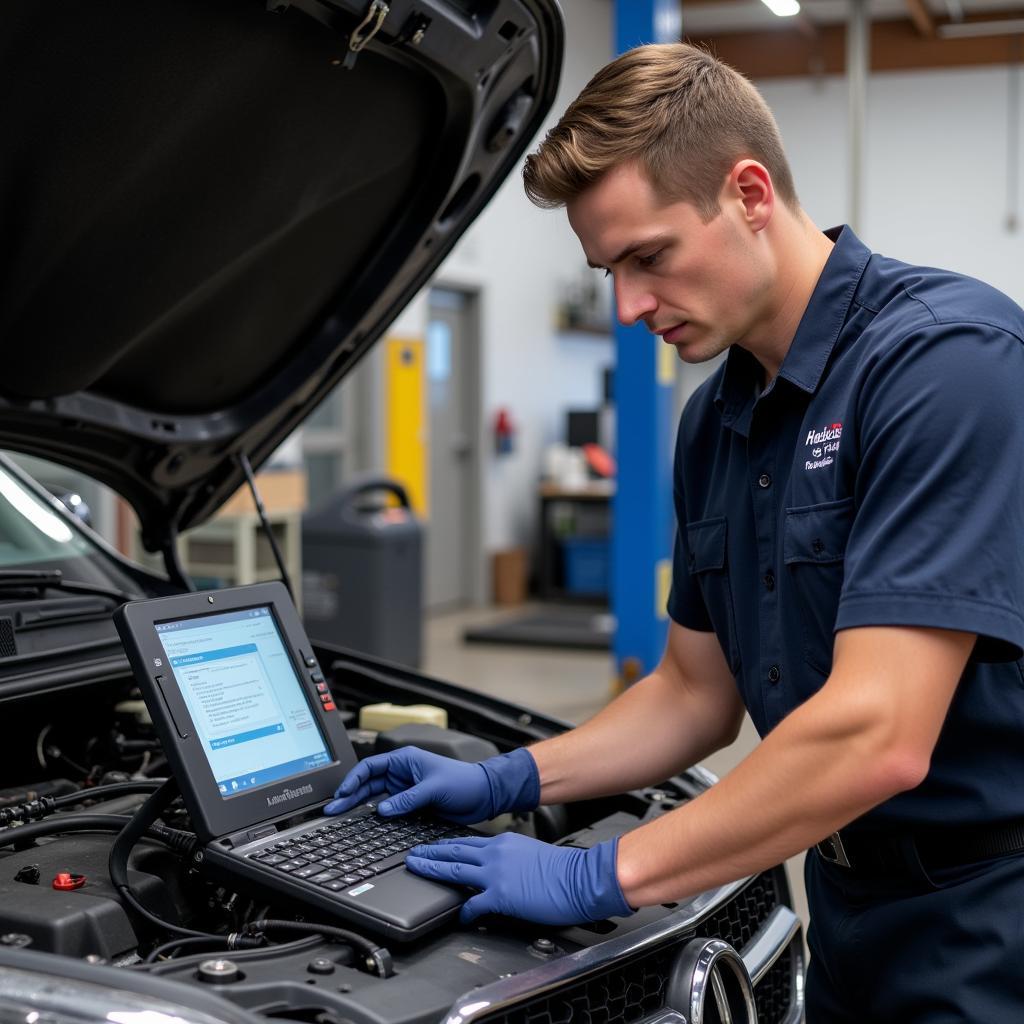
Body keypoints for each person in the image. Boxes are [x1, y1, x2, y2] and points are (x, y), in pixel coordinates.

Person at [326, 44, 1024, 1020]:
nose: (628, 306)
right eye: (608, 269)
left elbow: (878, 734)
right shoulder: (716, 420)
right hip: (847, 904)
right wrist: (506, 776)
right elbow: (695, 694)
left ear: (746, 193)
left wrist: (598, 874)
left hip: (989, 914)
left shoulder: (946, 367)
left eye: (648, 257)